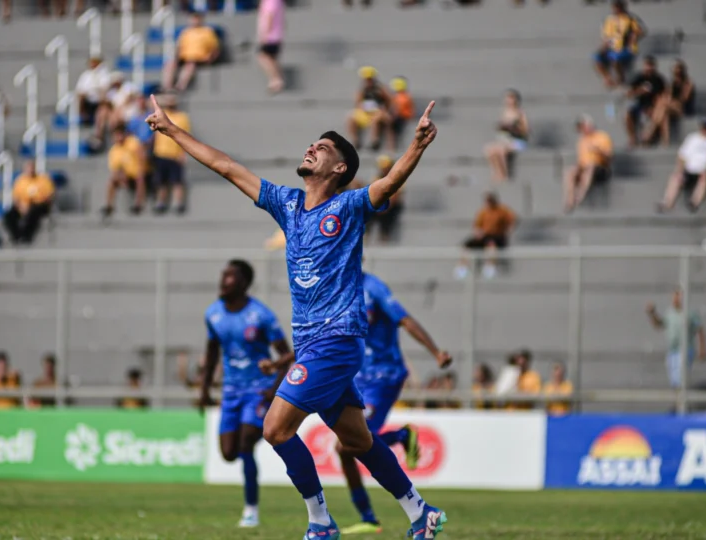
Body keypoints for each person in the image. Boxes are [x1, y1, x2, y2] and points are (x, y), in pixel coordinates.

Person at [145, 92, 448, 538]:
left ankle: (321, 523)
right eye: (312, 143)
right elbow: (226, 166)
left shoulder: (347, 207)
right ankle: (422, 513)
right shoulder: (286, 205)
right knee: (358, 440)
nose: (311, 148)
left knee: (275, 427)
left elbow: (388, 182)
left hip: (336, 340)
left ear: (339, 169)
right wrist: (171, 130)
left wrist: (417, 146)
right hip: (312, 344)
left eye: (322, 148)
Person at [340, 271, 452, 534]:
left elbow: (405, 320)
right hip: (357, 375)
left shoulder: (374, 288)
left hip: (384, 375)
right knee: (345, 446)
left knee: (348, 443)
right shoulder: (336, 286)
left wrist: (435, 352)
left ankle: (403, 437)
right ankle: (368, 517)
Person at [200, 259, 295, 528]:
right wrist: (204, 389)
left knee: (245, 444)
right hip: (231, 392)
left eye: (229, 276)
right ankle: (253, 434)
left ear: (243, 283)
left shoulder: (261, 315)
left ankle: (250, 510)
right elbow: (211, 352)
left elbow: (286, 356)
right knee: (229, 453)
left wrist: (273, 391)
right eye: (223, 275)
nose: (223, 281)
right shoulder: (213, 313)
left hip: (257, 391)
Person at [657, 117, 706, 213]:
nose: (705, 130)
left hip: (705, 170)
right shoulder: (692, 138)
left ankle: (694, 202)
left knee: (704, 177)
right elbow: (682, 156)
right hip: (690, 169)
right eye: (703, 127)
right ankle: (668, 203)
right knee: (676, 177)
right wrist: (680, 169)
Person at [645, 288, 706, 389]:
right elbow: (660, 324)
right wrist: (652, 314)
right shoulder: (670, 313)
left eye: (678, 296)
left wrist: (702, 348)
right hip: (672, 351)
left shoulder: (690, 313)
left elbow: (700, 329)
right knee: (674, 380)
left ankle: (681, 402)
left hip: (685, 350)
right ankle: (678, 402)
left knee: (680, 378)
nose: (675, 299)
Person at [454, 192, 517, 280]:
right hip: (485, 235)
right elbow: (477, 226)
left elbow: (512, 219)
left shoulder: (502, 210)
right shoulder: (483, 212)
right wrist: (478, 233)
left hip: (497, 236)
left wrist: (508, 229)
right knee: (467, 245)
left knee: (491, 245)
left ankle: (490, 266)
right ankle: (462, 267)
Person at [151, 93, 192, 215]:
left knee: (177, 180)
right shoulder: (162, 115)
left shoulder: (182, 117)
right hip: (161, 152)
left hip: (175, 154)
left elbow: (186, 135)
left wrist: (183, 153)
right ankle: (161, 202)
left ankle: (178, 203)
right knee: (161, 181)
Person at [563, 114, 612, 212]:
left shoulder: (602, 137)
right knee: (570, 171)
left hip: (600, 167)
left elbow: (609, 157)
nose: (582, 129)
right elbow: (582, 160)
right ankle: (569, 200)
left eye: (583, 126)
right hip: (585, 166)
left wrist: (598, 151)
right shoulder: (582, 141)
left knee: (590, 167)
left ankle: (579, 197)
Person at [164, 12, 220, 93]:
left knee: (190, 66)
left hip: (200, 59)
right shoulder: (185, 32)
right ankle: (167, 87)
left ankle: (179, 87)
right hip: (185, 58)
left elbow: (215, 48)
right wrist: (176, 58)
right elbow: (179, 47)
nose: (194, 21)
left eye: (197, 19)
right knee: (170, 64)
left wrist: (211, 58)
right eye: (193, 19)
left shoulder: (207, 32)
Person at [644, 59, 696, 146]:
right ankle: (666, 141)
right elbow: (667, 96)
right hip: (671, 107)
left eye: (679, 69)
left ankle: (650, 132)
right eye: (675, 69)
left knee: (663, 105)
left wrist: (669, 101)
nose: (677, 72)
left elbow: (684, 99)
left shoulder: (688, 83)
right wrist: (666, 100)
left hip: (683, 108)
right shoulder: (672, 83)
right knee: (664, 114)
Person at [593, 0, 645, 88]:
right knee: (597, 57)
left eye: (619, 7)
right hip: (612, 48)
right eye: (615, 7)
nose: (617, 9)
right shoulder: (609, 20)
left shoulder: (630, 18)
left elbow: (640, 31)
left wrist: (633, 37)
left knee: (616, 59)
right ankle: (607, 78)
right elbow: (606, 36)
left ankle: (620, 79)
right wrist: (603, 47)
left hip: (626, 49)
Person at [4, 160, 55, 245]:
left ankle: (26, 236)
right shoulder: (20, 181)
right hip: (23, 205)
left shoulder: (43, 179)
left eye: (31, 168)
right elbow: (16, 197)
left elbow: (50, 195)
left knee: (33, 212)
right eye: (28, 168)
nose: (30, 170)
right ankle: (16, 236)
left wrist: (37, 201)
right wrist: (21, 206)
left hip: (39, 205)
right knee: (9, 215)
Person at [484, 89, 529, 182]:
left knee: (501, 150)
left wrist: (514, 128)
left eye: (511, 98)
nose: (509, 101)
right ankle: (496, 172)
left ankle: (504, 174)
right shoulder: (504, 113)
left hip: (518, 142)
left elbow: (525, 130)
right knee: (489, 150)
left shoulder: (520, 113)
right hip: (505, 140)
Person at [102, 126, 147, 217]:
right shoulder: (113, 150)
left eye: (119, 135)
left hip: (138, 172)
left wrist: (140, 171)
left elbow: (141, 158)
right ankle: (109, 206)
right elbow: (115, 169)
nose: (117, 138)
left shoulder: (133, 142)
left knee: (140, 178)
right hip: (126, 176)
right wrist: (121, 178)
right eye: (115, 136)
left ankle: (138, 205)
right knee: (111, 181)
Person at [347, 67, 393, 152]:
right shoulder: (362, 89)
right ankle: (355, 141)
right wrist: (361, 107)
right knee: (351, 117)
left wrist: (385, 109)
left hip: (378, 112)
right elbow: (358, 102)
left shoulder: (380, 88)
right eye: (366, 80)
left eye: (369, 79)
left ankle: (374, 142)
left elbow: (389, 100)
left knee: (375, 119)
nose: (368, 81)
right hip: (365, 112)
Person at [624, 56, 666, 148]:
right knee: (628, 115)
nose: (649, 68)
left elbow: (663, 95)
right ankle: (632, 138)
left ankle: (648, 139)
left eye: (651, 66)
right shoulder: (639, 77)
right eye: (647, 65)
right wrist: (640, 91)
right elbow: (628, 93)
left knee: (655, 116)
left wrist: (654, 106)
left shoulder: (659, 80)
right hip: (640, 104)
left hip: (653, 106)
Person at [367, 155, 404, 244]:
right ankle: (366, 235)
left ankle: (385, 236)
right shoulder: (376, 178)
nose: (384, 169)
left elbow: (396, 196)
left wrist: (386, 207)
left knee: (388, 215)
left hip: (391, 205)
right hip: (380, 204)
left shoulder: (398, 179)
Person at [256, 0, 285, 94]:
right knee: (272, 59)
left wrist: (264, 34)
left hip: (270, 37)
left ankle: (276, 79)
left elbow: (269, 16)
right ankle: (275, 81)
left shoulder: (270, 2)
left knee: (263, 57)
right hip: (277, 35)